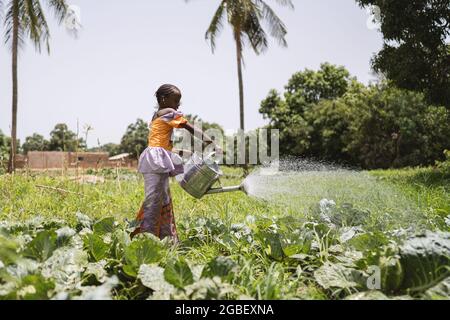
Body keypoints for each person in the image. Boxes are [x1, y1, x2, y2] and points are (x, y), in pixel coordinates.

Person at [131, 84, 220, 243]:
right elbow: (188, 127)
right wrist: (209, 141)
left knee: (163, 200)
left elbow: (161, 144)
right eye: (176, 100)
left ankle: (167, 240)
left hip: (155, 158)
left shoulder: (156, 116)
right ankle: (145, 239)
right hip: (155, 160)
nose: (178, 105)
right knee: (154, 201)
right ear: (164, 99)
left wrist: (184, 153)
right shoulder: (168, 112)